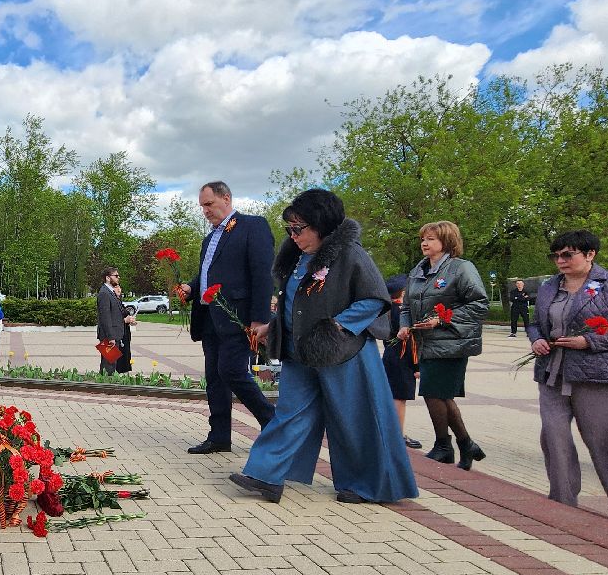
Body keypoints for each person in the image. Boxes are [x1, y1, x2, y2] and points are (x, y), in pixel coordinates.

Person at [226, 189, 417, 504]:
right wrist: (273, 327)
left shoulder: (351, 254)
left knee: (352, 420)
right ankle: (265, 476)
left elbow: (374, 299)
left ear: (322, 224)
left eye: (299, 228)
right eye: (289, 229)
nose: (293, 235)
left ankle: (364, 486)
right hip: (300, 353)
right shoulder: (300, 257)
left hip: (343, 353)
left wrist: (337, 326)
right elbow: (299, 305)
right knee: (288, 413)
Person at [527, 229, 608, 522]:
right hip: (552, 371)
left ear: (590, 254)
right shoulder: (548, 286)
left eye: (567, 254)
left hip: (599, 374)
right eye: (556, 255)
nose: (560, 261)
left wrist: (590, 341)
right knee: (553, 436)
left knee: (603, 440)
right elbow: (535, 323)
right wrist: (535, 340)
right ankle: (562, 501)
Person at [176, 181, 275, 453]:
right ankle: (219, 436)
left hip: (237, 317)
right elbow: (208, 274)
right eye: (202, 206)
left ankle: (273, 425)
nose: (205, 211)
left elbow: (262, 274)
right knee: (215, 377)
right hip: (209, 316)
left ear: (226, 198)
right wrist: (191, 287)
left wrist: (258, 318)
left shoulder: (252, 226)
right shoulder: (210, 237)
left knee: (231, 371)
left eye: (209, 204)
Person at [397, 221, 489, 469]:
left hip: (453, 342)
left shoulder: (461, 268)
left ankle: (444, 445)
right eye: (423, 239)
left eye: (431, 239)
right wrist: (404, 325)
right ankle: (464, 445)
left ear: (447, 242)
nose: (425, 243)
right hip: (425, 342)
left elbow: (479, 304)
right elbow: (406, 306)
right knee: (440, 394)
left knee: (433, 392)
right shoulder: (418, 270)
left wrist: (443, 318)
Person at [382, 274, 424, 449]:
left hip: (390, 356)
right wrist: (417, 366)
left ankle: (390, 433)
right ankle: (398, 435)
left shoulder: (387, 310)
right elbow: (411, 342)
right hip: (402, 357)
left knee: (392, 395)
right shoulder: (402, 313)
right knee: (399, 398)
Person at [96, 267, 129, 374]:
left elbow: (117, 312)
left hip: (115, 335)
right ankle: (106, 388)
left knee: (111, 364)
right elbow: (105, 317)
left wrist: (126, 319)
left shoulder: (111, 292)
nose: (118, 278)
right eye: (116, 276)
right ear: (107, 278)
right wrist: (110, 337)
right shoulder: (104, 293)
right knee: (108, 366)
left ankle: (107, 386)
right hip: (109, 336)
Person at [112, 279, 136, 373]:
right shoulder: (109, 301)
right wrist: (124, 320)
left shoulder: (119, 302)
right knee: (114, 363)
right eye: (115, 287)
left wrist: (130, 321)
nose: (118, 289)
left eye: (119, 287)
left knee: (123, 360)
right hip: (114, 335)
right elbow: (107, 319)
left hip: (124, 334)